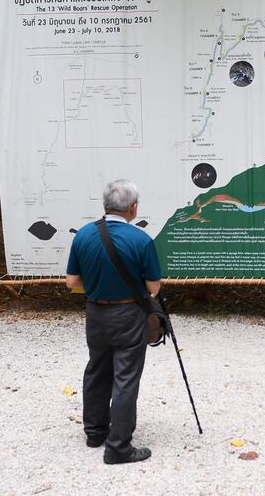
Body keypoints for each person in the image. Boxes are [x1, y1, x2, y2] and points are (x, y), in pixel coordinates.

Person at [65, 179, 162, 464]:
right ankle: (119, 447)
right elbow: (153, 287)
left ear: (105, 205)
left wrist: (97, 288)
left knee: (97, 370)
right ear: (133, 208)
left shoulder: (83, 235)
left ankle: (95, 432)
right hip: (129, 315)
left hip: (95, 313)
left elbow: (72, 282)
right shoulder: (141, 240)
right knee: (125, 377)